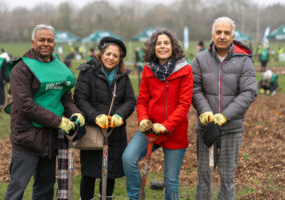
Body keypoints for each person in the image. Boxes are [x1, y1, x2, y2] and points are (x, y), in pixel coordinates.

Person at [4, 24, 85, 200]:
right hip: (27, 139)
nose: (46, 43)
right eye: (42, 40)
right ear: (33, 42)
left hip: (50, 139)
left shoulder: (59, 68)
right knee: (17, 188)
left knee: (45, 189)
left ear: (55, 43)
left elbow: (65, 98)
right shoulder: (22, 68)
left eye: (50, 40)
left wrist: (75, 113)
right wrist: (59, 122)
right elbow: (25, 105)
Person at [122, 29, 193, 200]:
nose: (162, 46)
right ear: (153, 47)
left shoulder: (185, 70)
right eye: (158, 43)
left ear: (173, 46)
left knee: (170, 180)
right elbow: (142, 100)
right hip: (151, 129)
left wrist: (167, 125)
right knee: (128, 158)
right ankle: (136, 197)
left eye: (166, 43)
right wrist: (143, 119)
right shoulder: (148, 70)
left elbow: (184, 104)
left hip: (175, 131)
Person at [191, 17, 257, 200]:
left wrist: (224, 116)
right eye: (218, 32)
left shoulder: (244, 61)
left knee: (227, 176)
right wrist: (205, 111)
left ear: (233, 36)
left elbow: (249, 92)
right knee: (204, 176)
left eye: (226, 33)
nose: (222, 36)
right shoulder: (200, 59)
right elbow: (194, 89)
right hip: (206, 127)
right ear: (212, 35)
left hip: (231, 129)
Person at [74, 36, 136, 200]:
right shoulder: (87, 72)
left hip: (114, 133)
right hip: (92, 130)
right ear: (101, 54)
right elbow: (80, 98)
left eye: (115, 56)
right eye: (108, 54)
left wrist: (119, 115)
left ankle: (106, 197)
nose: (111, 58)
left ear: (119, 59)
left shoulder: (123, 77)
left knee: (110, 172)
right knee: (89, 173)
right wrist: (96, 116)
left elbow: (130, 100)